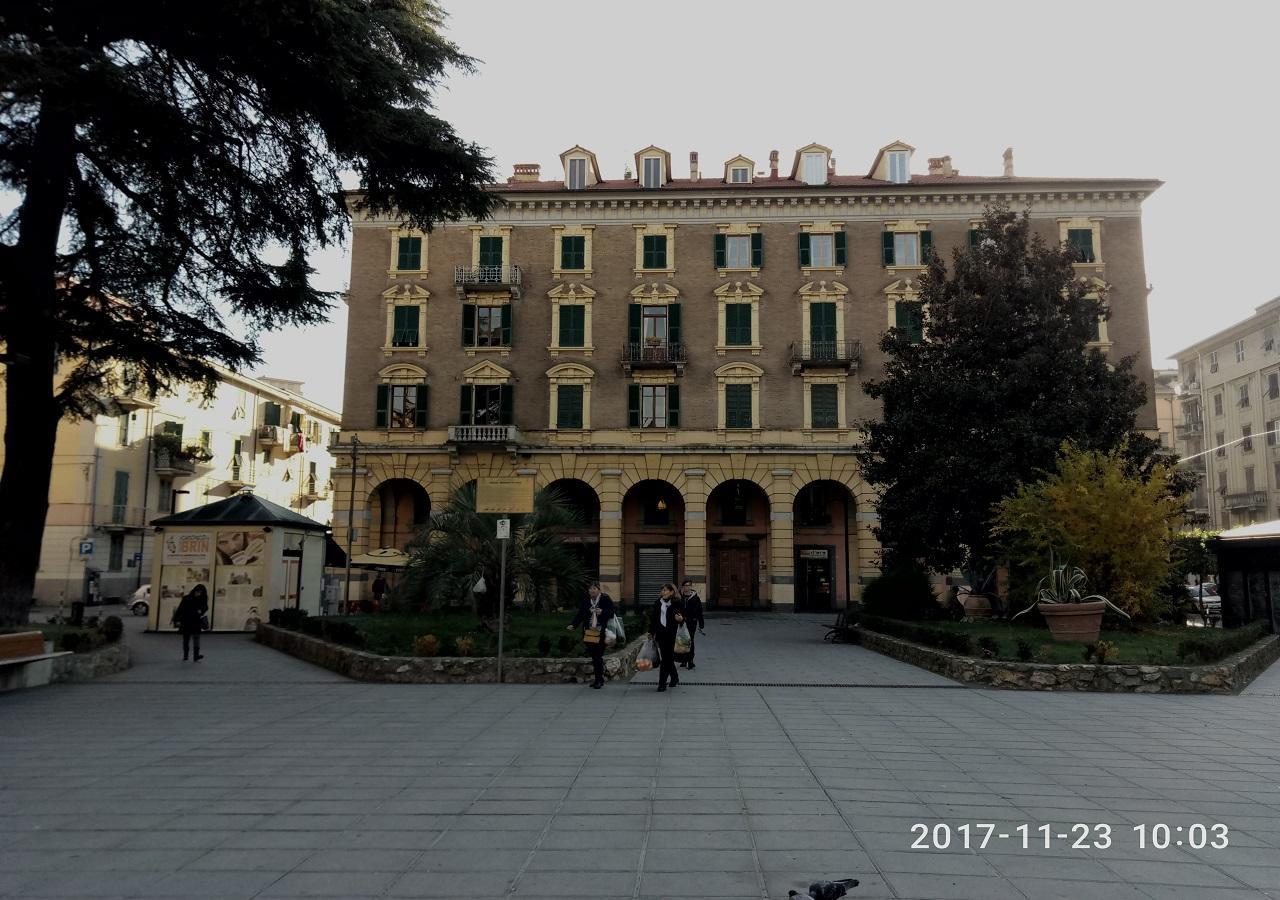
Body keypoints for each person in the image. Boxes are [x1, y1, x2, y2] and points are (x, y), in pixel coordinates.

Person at [567, 581, 615, 689]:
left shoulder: (605, 599)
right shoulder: (586, 600)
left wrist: (602, 611)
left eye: (594, 588)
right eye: (590, 589)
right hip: (589, 631)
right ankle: (598, 679)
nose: (591, 591)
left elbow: (612, 612)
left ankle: (599, 680)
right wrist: (573, 625)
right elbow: (580, 614)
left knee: (598, 655)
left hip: (601, 631)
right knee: (594, 656)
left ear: (599, 590)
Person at [648, 582, 684, 693]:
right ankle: (674, 677)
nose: (663, 592)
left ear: (672, 592)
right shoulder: (657, 603)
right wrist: (651, 632)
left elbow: (682, 616)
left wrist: (680, 619)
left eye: (665, 590)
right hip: (661, 634)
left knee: (665, 659)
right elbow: (654, 619)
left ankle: (662, 684)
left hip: (672, 634)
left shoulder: (676, 603)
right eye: (662, 590)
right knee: (667, 658)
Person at [171, 584, 209, 661]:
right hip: (187, 621)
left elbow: (205, 607)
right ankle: (186, 656)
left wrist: (201, 611)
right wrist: (176, 619)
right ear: (194, 590)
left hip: (195, 621)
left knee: (196, 638)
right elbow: (180, 609)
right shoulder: (187, 598)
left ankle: (196, 656)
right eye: (198, 591)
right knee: (186, 639)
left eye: (200, 592)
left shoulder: (202, 599)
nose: (199, 593)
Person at [678, 579, 705, 669]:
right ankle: (684, 660)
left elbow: (699, 612)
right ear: (683, 587)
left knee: (690, 640)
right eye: (686, 585)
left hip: (691, 622)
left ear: (691, 587)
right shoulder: (680, 598)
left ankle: (690, 660)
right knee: (682, 641)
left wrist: (701, 623)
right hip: (681, 622)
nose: (687, 587)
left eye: (689, 585)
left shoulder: (695, 598)